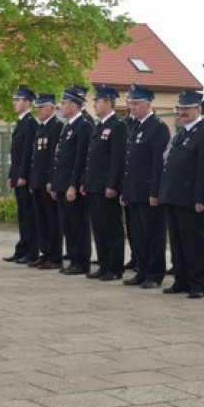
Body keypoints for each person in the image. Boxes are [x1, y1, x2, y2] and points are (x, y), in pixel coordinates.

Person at [160, 90, 204, 298]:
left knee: (194, 243)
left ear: (198, 109)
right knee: (177, 242)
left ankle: (198, 284)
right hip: (173, 196)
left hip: (190, 199)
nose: (183, 112)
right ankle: (181, 280)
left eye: (187, 108)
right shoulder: (181, 134)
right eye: (181, 108)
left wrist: (201, 199)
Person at [121, 84, 170, 288]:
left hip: (148, 191)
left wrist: (155, 192)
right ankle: (141, 270)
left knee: (153, 235)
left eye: (137, 103)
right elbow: (128, 162)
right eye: (131, 103)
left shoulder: (157, 128)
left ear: (149, 104)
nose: (133, 107)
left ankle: (154, 273)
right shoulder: (134, 126)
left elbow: (158, 163)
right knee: (137, 235)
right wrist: (124, 190)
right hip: (132, 191)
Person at [82, 86, 128, 281]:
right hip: (93, 184)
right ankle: (103, 264)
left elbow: (117, 159)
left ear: (109, 103)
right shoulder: (99, 126)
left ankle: (115, 267)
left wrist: (112, 185)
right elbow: (91, 158)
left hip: (106, 187)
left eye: (97, 101)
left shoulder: (118, 126)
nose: (94, 104)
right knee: (99, 228)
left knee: (111, 228)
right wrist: (85, 181)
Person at [51, 85, 94, 275]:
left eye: (65, 103)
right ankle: (73, 258)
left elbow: (80, 159)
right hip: (61, 182)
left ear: (75, 105)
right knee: (67, 224)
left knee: (78, 225)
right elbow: (60, 157)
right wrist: (55, 182)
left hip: (71, 184)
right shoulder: (68, 126)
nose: (61, 106)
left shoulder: (84, 125)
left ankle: (81, 261)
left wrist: (73, 185)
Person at [5, 86, 39, 264]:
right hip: (18, 174)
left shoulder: (31, 123)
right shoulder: (21, 122)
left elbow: (28, 153)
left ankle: (31, 250)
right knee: (23, 214)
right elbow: (15, 154)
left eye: (18, 100)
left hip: (24, 177)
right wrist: (12, 174)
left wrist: (23, 175)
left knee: (29, 214)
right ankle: (22, 248)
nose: (15, 103)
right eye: (15, 99)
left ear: (28, 103)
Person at [29, 94, 63, 270]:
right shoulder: (42, 128)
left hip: (47, 181)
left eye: (42, 107)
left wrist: (51, 180)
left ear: (51, 108)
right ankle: (45, 253)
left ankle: (55, 256)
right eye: (38, 108)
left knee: (52, 220)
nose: (39, 111)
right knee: (41, 220)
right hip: (37, 180)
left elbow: (53, 157)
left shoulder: (56, 127)